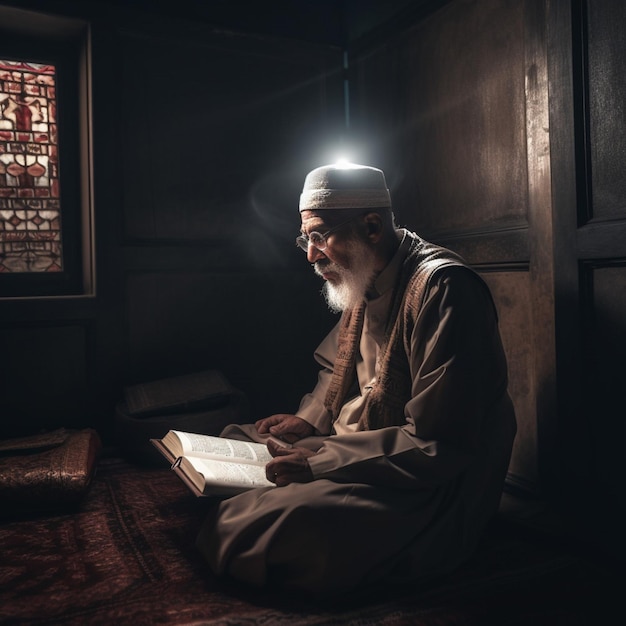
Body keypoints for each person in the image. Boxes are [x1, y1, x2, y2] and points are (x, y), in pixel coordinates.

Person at [196, 162, 517, 598]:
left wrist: (318, 463)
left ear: (371, 226)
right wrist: (308, 420)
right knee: (236, 441)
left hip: (423, 480)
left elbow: (438, 442)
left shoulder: (445, 289)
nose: (311, 255)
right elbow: (336, 366)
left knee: (253, 525)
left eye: (319, 236)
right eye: (306, 238)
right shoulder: (365, 273)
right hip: (360, 443)